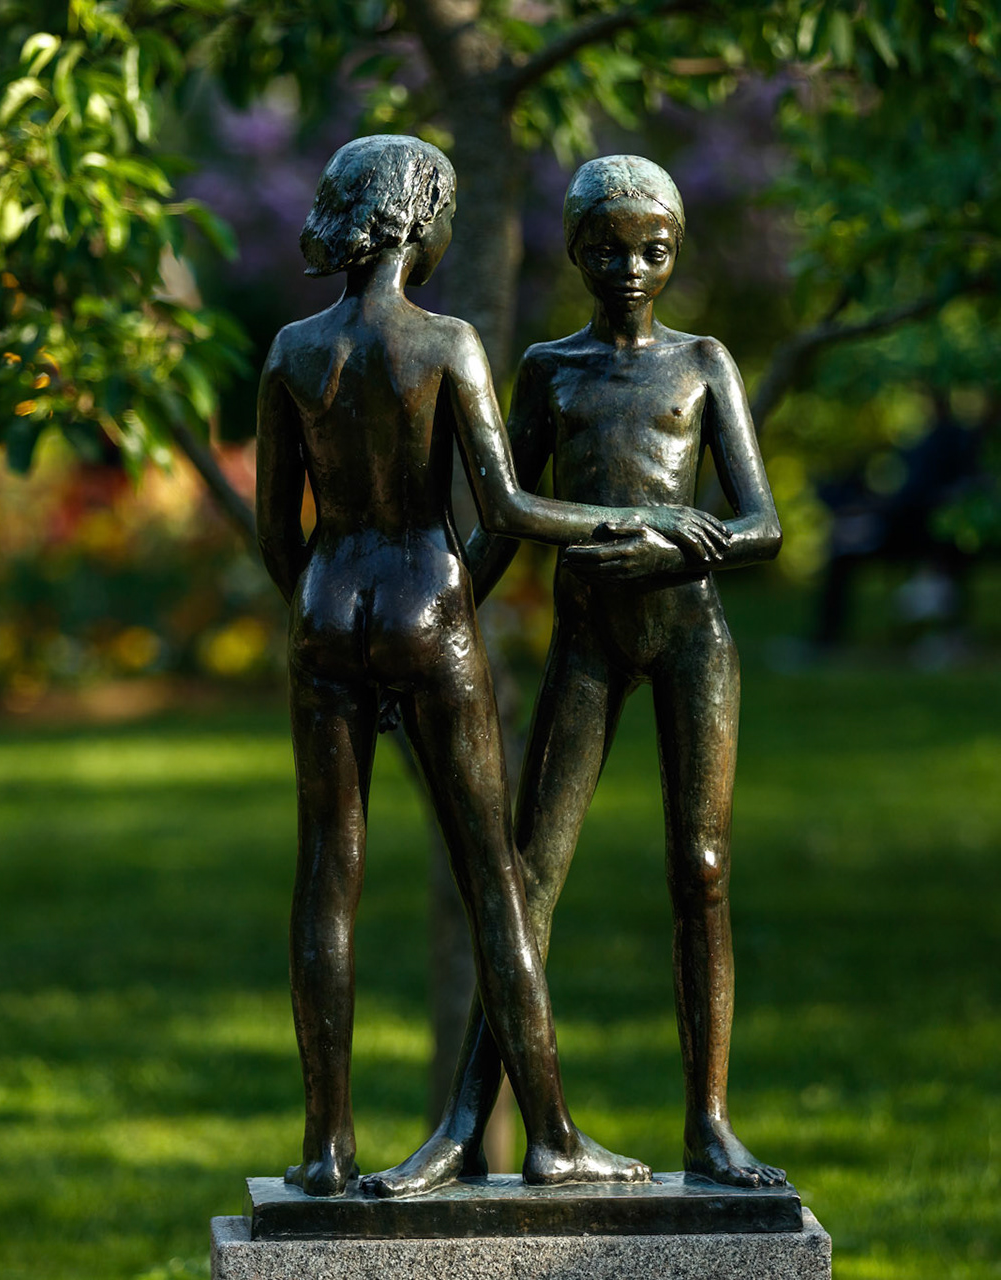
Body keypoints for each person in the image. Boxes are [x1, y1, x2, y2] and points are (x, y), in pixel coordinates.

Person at [256, 136, 730, 1197]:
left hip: (328, 608)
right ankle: (550, 1134)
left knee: (326, 875)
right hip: (428, 602)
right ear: (421, 221)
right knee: (498, 881)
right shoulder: (448, 343)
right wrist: (637, 519)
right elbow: (505, 507)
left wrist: (319, 612)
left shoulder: (292, 349)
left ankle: (325, 1147)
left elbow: (276, 531)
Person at [366, 156, 785, 1198]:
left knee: (702, 867)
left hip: (691, 636)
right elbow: (502, 521)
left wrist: (673, 544)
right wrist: (432, 626)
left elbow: (761, 523)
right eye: (606, 249)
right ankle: (465, 1126)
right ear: (575, 252)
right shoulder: (551, 370)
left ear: (675, 252)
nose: (630, 268)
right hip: (588, 642)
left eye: (652, 249)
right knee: (528, 878)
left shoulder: (702, 362)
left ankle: (710, 1125)